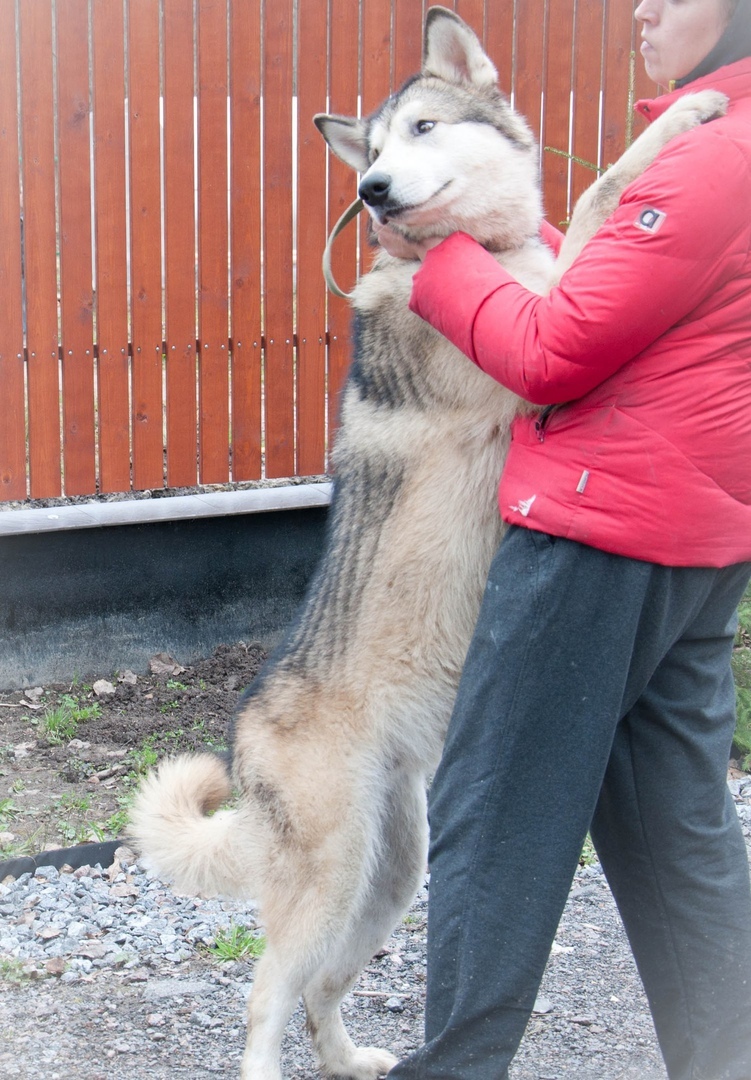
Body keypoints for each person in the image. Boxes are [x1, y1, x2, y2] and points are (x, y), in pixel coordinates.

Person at [379, 1, 751, 1077]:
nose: (641, 7)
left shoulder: (704, 163)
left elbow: (552, 353)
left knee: (491, 810)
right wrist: (509, 239)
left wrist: (443, 262)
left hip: (600, 529)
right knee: (672, 827)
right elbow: (623, 300)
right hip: (696, 531)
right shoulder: (724, 141)